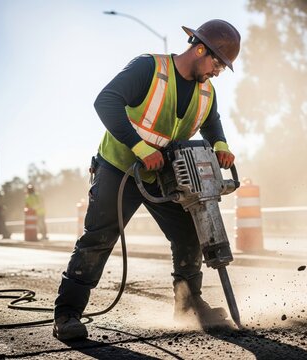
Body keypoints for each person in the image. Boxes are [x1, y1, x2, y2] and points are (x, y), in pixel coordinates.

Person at [52, 19, 241, 341]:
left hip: (163, 174)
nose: (217, 71)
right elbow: (106, 101)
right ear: (199, 49)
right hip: (119, 168)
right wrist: (139, 147)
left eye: (223, 67)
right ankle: (67, 314)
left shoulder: (207, 91)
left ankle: (187, 305)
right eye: (217, 63)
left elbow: (212, 123)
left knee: (189, 236)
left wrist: (221, 145)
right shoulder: (149, 68)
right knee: (98, 238)